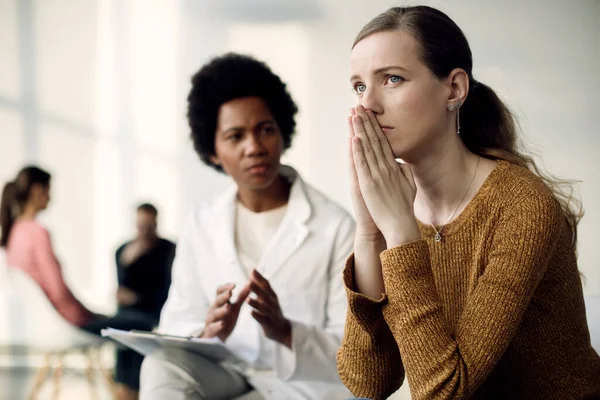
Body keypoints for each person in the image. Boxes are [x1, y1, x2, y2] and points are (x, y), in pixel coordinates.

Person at [337, 5, 600, 400]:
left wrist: (400, 233)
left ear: (455, 89)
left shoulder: (523, 207)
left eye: (392, 79)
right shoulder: (397, 208)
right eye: (359, 86)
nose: (368, 104)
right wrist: (369, 232)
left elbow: (445, 390)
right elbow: (369, 383)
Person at [140, 53, 355, 400]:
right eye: (235, 136)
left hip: (301, 384)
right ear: (213, 151)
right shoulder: (201, 223)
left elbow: (353, 352)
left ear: (283, 134)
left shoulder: (336, 227)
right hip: (224, 370)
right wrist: (206, 331)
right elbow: (175, 326)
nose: (254, 148)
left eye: (265, 130)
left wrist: (285, 331)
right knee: (159, 367)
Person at [0, 166, 156, 400]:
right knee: (139, 323)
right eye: (48, 190)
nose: (51, 196)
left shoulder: (15, 234)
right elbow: (59, 291)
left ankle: (125, 391)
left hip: (47, 327)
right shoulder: (37, 232)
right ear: (36, 190)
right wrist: (90, 315)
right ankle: (130, 394)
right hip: (69, 324)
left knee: (124, 319)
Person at [115, 203, 175, 321]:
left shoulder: (170, 250)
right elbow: (121, 293)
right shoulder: (123, 251)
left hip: (155, 313)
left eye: (149, 226)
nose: (145, 232)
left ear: (156, 224)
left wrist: (137, 299)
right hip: (127, 313)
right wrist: (125, 265)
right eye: (141, 226)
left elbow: (169, 291)